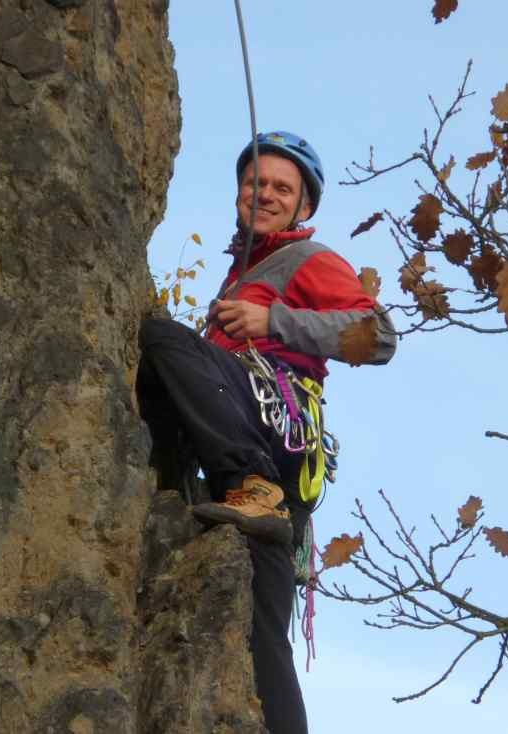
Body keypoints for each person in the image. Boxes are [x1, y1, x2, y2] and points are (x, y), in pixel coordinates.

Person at [136, 131, 396, 734]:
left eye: (283, 187)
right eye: (255, 182)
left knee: (163, 340)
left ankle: (250, 482)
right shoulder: (238, 276)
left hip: (274, 431)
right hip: (272, 474)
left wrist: (271, 318)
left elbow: (377, 336)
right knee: (262, 634)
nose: (266, 194)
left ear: (305, 207)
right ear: (237, 193)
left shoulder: (307, 261)